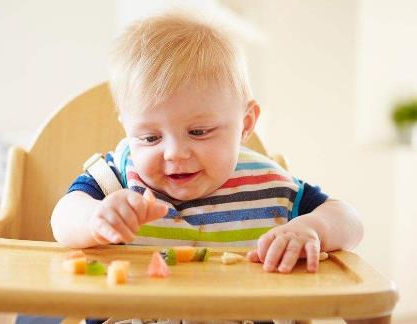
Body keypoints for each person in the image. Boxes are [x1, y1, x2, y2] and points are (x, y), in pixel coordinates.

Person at [51, 11, 363, 323]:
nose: (174, 153)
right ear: (128, 130)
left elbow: (349, 221)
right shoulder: (116, 181)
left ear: (245, 124)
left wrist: (311, 228)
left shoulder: (268, 188)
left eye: (199, 132)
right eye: (149, 137)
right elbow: (62, 218)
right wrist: (94, 219)